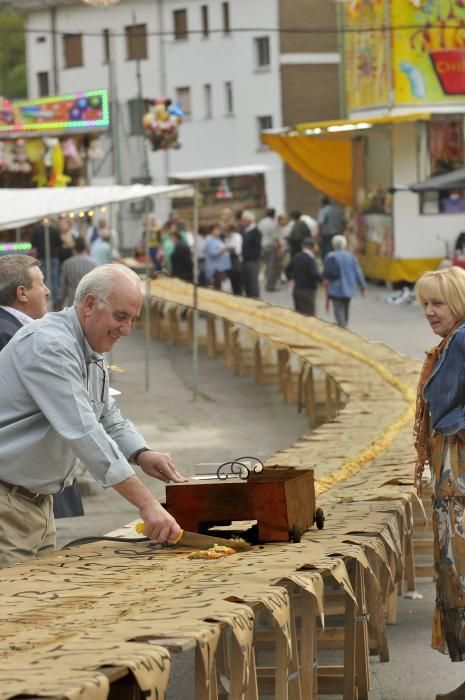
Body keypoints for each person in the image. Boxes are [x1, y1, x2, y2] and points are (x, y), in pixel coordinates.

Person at [0, 264, 185, 568]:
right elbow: (84, 431)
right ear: (88, 305)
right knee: (16, 609)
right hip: (7, 502)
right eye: (120, 317)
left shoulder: (87, 344)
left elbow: (105, 414)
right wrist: (147, 505)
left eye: (132, 319)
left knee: (42, 603)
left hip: (36, 502)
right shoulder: (49, 344)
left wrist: (141, 452)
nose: (126, 330)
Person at [0, 254, 85, 520]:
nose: (47, 291)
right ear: (22, 293)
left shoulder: (15, 329)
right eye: (42, 283)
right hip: (17, 490)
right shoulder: (9, 333)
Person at [414, 266, 465, 700]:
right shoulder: (451, 342)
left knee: (461, 570)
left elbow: (445, 406)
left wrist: (455, 425)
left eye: (438, 303)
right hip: (453, 466)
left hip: (460, 471)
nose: (429, 312)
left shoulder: (462, 340)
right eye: (425, 304)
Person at [323, 235, 366, 328]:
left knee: (338, 309)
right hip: (349, 288)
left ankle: (342, 327)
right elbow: (358, 272)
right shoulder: (351, 257)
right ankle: (344, 325)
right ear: (345, 244)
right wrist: (362, 287)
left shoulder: (330, 256)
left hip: (335, 288)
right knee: (346, 308)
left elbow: (326, 273)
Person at [57, 236, 97, 308]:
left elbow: (62, 287)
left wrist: (60, 303)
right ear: (86, 248)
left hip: (72, 302)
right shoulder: (94, 264)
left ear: (74, 248)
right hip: (89, 303)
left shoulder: (67, 264)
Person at [291, 237, 322, 316]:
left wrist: (293, 278)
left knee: (299, 314)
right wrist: (321, 279)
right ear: (312, 246)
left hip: (297, 289)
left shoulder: (296, 256)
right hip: (308, 290)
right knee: (309, 315)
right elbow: (314, 274)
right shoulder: (310, 259)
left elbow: (288, 269)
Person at [258, 208, 280, 291]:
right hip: (270, 246)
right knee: (272, 266)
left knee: (266, 266)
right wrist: (278, 250)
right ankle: (270, 286)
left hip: (262, 246)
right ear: (274, 214)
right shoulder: (272, 223)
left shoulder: (261, 222)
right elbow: (275, 238)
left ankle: (266, 283)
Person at [318, 195, 346, 260]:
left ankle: (329, 267)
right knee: (337, 251)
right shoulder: (337, 210)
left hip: (327, 236)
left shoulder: (324, 210)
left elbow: (320, 223)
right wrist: (341, 232)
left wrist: (319, 235)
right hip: (337, 234)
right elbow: (344, 223)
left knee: (327, 253)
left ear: (322, 203)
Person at [241, 210, 262, 298]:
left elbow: (257, 248)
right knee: (246, 283)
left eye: (244, 220)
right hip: (244, 260)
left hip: (252, 260)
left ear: (249, 220)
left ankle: (255, 299)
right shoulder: (244, 231)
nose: (242, 222)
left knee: (253, 283)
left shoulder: (255, 232)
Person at [204, 224, 231, 290]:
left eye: (219, 230)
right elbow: (213, 253)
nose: (219, 231)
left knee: (218, 287)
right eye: (217, 230)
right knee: (215, 288)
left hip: (220, 268)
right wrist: (224, 249)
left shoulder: (217, 239)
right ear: (212, 231)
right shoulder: (210, 240)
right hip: (214, 269)